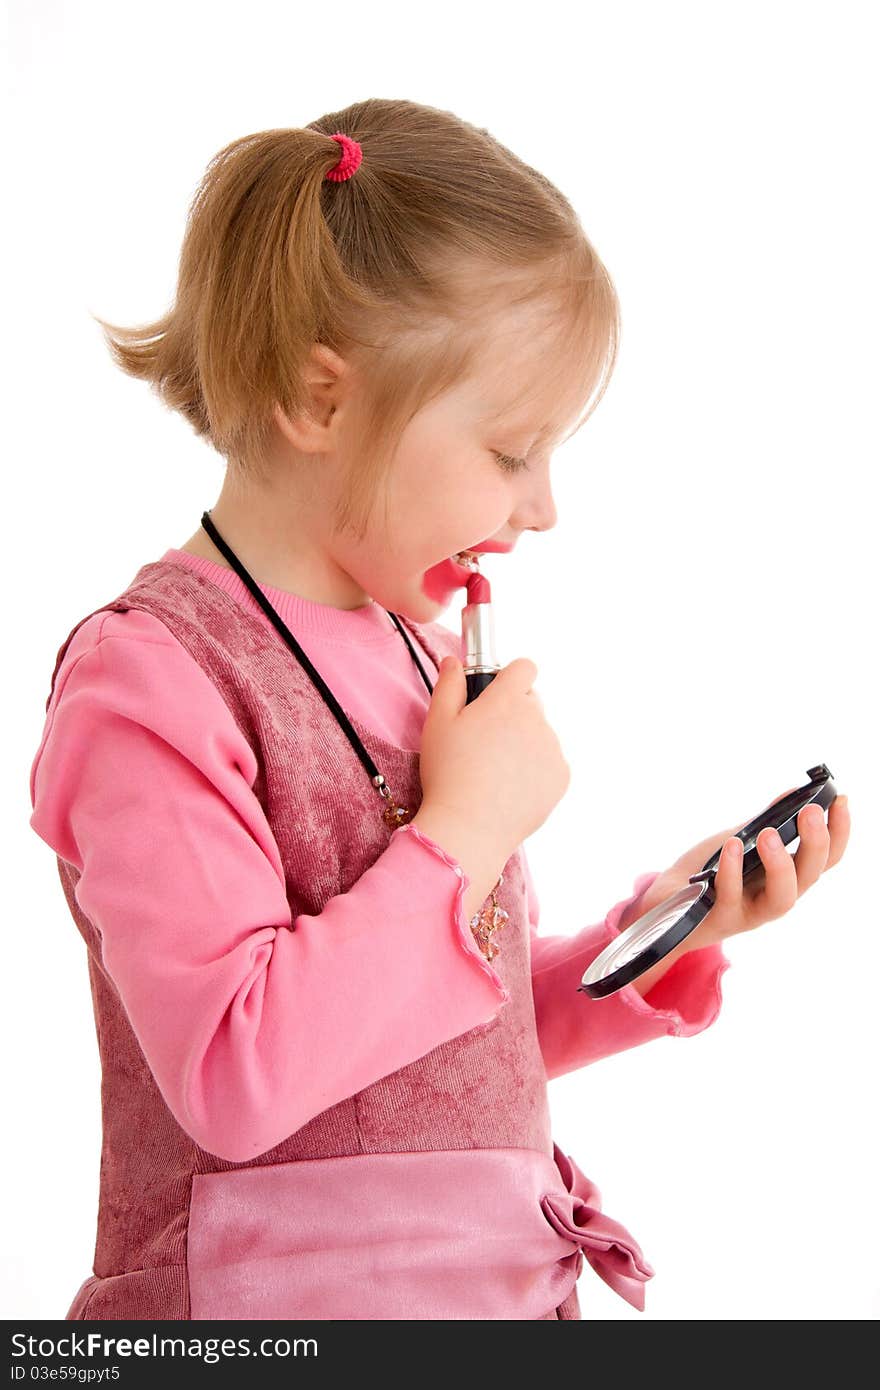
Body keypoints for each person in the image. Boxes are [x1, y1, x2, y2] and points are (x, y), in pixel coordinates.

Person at [28, 98, 850, 1322]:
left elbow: (428, 1053)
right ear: (322, 403)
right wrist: (461, 827)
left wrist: (660, 933)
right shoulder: (150, 681)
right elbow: (235, 1071)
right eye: (512, 450)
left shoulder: (414, 655)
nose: (544, 506)